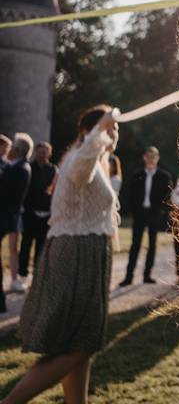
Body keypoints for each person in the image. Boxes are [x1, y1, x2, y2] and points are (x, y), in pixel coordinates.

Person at [3, 105, 121, 404]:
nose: (113, 134)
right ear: (89, 132)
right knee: (80, 345)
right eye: (109, 129)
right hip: (76, 254)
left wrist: (102, 134)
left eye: (115, 129)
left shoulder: (98, 160)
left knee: (80, 343)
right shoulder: (82, 158)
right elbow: (83, 166)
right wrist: (99, 132)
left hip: (87, 252)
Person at [119, 146, 173, 286]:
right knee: (135, 245)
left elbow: (168, 198)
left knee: (152, 245)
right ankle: (128, 276)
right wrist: (133, 211)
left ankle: (147, 275)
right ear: (144, 157)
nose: (150, 159)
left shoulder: (164, 176)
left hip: (154, 214)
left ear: (157, 158)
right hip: (139, 214)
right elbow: (130, 196)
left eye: (153, 157)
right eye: (148, 156)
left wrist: (161, 211)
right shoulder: (137, 175)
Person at [19, 141, 57, 283]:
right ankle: (22, 273)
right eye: (40, 151)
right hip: (29, 213)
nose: (43, 154)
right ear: (35, 152)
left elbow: (54, 191)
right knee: (26, 244)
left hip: (46, 214)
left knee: (41, 247)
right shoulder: (29, 167)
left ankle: (38, 274)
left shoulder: (53, 169)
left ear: (49, 153)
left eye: (45, 151)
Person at [0, 133, 33, 296]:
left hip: (8, 215)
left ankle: (14, 280)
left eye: (13, 146)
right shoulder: (16, 166)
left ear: (18, 150)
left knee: (13, 249)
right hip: (10, 214)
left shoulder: (20, 168)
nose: (10, 148)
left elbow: (5, 192)